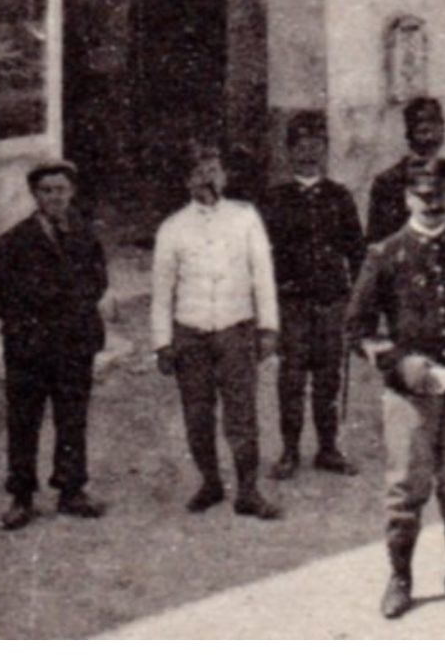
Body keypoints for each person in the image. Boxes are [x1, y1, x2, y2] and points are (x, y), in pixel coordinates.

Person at [347, 158, 445, 620]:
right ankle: (400, 578)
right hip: (409, 393)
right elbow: (356, 329)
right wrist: (400, 362)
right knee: (406, 486)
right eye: (422, 196)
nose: (432, 204)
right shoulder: (386, 254)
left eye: (440, 196)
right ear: (406, 199)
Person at [151, 142, 282, 520]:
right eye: (197, 173)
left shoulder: (245, 218)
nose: (206, 179)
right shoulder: (172, 228)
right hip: (190, 334)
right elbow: (162, 293)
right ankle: (210, 482)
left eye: (213, 171)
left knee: (241, 414)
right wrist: (162, 343)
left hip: (235, 330)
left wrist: (268, 327)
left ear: (225, 176)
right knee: (197, 414)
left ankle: (248, 490)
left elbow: (263, 276)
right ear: (185, 181)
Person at [0, 161, 110, 531]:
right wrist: (27, 321)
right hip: (29, 348)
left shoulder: (85, 236)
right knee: (24, 421)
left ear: (72, 193)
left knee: (73, 417)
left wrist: (74, 309)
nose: (55, 197)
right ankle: (21, 497)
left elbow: (98, 281)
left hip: (74, 344)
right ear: (35, 196)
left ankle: (72, 490)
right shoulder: (13, 241)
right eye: (47, 191)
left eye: (62, 190)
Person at [260, 112, 367, 479]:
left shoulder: (339, 197)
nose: (308, 154)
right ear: (289, 152)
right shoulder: (275, 200)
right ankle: (289, 451)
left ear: (325, 151)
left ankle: (328, 448)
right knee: (291, 379)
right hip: (292, 305)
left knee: (328, 377)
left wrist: (356, 303)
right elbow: (263, 259)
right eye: (300, 147)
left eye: (316, 147)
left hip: (331, 303)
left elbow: (357, 253)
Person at [366, 96, 445, 244]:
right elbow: (377, 243)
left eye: (433, 122)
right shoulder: (387, 183)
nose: (427, 130)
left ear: (443, 130)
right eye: (419, 123)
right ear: (409, 133)